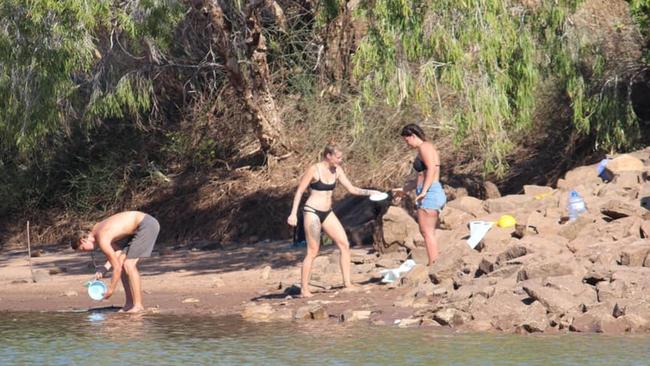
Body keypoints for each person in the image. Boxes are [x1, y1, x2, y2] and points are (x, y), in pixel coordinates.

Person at [287, 144, 382, 297]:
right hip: (312, 212)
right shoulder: (314, 169)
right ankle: (304, 289)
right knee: (313, 251)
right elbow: (299, 191)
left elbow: (352, 189)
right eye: (338, 157)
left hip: (327, 212)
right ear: (328, 156)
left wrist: (372, 192)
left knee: (344, 244)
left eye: (341, 157)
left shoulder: (337, 170)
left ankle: (347, 283)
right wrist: (292, 214)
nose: (340, 160)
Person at [72, 211, 160, 313]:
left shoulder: (101, 237)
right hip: (138, 229)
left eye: (83, 249)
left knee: (128, 264)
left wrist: (111, 289)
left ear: (83, 240)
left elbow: (116, 267)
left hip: (146, 225)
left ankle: (138, 305)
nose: (85, 251)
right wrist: (104, 268)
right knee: (122, 262)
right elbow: (117, 252)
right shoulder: (98, 231)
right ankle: (129, 304)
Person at [396, 124, 446, 266]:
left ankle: (433, 265)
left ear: (412, 136)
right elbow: (422, 175)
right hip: (430, 191)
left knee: (426, 232)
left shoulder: (424, 147)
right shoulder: (425, 148)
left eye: (406, 141)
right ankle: (433, 262)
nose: (407, 144)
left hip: (430, 193)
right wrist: (405, 189)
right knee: (427, 232)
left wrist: (424, 191)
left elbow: (431, 169)